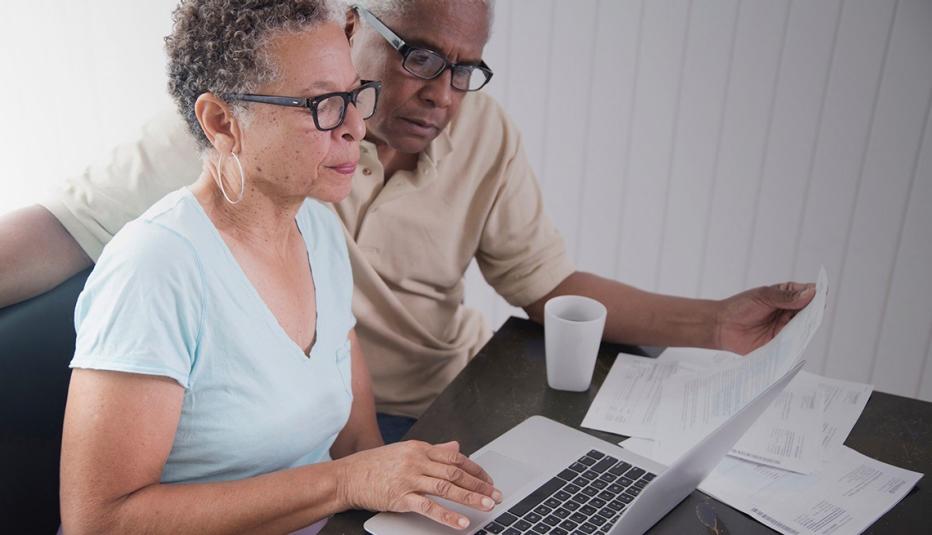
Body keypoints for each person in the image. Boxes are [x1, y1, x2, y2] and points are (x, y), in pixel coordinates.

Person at [2, 0, 814, 435]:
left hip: (455, 390)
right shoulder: (238, 132)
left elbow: (548, 283)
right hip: (325, 421)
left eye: (466, 71)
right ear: (354, 26)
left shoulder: (480, 135)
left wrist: (717, 324)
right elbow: (58, 227)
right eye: (419, 55)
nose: (441, 93)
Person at [59, 1, 502, 533]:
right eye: (321, 105)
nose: (357, 128)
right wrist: (346, 482)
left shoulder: (318, 230)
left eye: (354, 96)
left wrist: (411, 496)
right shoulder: (154, 269)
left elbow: (358, 443)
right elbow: (98, 521)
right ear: (222, 122)